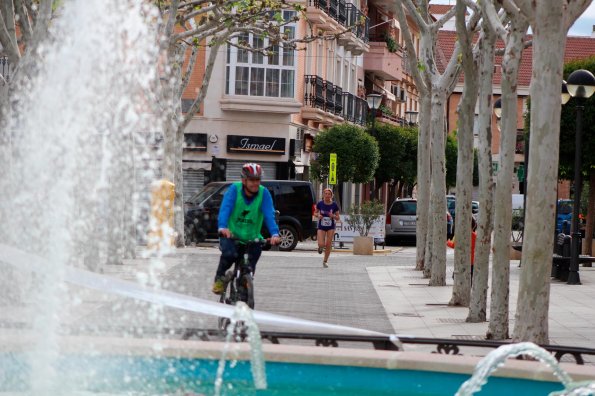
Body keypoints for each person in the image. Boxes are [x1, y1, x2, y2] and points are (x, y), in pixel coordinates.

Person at [211, 163, 280, 294]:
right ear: (244, 180)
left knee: (251, 261)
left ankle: (246, 284)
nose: (255, 183)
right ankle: (219, 278)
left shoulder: (264, 194)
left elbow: (269, 215)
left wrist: (275, 234)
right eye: (252, 180)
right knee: (229, 255)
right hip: (231, 235)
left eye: (258, 180)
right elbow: (225, 209)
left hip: (252, 237)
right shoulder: (234, 190)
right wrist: (222, 227)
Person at [314, 188, 340, 268]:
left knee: (328, 244)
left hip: (330, 227)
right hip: (321, 226)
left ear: (331, 195)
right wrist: (318, 215)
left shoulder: (334, 205)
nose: (327, 195)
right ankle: (320, 247)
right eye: (326, 194)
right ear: (323, 195)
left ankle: (325, 261)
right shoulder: (320, 204)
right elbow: (315, 213)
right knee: (321, 244)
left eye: (329, 194)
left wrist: (333, 216)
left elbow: (338, 217)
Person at [447, 217, 477, 281]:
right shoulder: (475, 236)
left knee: (457, 276)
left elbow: (453, 245)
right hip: (472, 261)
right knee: (470, 277)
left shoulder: (460, 235)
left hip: (462, 260)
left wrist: (448, 242)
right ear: (474, 226)